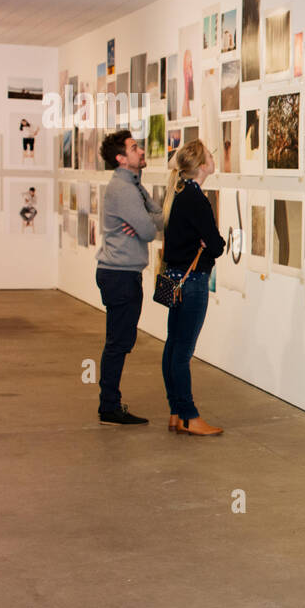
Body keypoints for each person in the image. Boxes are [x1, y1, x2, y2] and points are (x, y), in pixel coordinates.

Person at [96, 129, 164, 425]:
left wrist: (144, 222)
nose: (141, 151)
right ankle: (109, 406)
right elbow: (152, 230)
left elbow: (159, 217)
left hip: (124, 273)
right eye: (134, 147)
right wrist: (145, 223)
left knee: (121, 340)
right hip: (119, 275)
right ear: (121, 158)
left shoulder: (134, 185)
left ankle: (109, 403)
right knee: (118, 342)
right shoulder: (123, 190)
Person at [160, 140, 226, 436]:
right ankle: (188, 415)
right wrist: (209, 243)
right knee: (183, 352)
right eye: (210, 156)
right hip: (192, 282)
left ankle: (175, 411)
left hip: (174, 279)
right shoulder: (197, 199)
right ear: (202, 166)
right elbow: (217, 245)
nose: (214, 160)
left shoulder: (178, 193)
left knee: (173, 344)